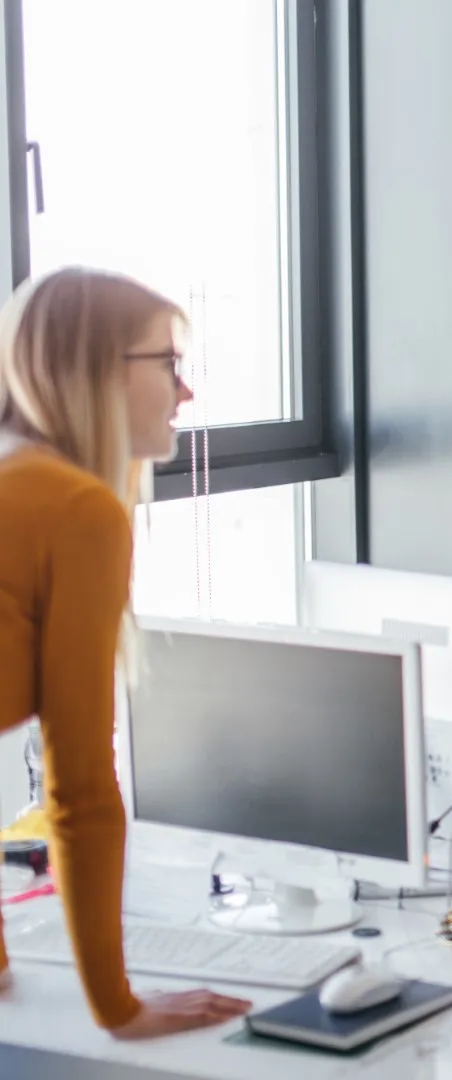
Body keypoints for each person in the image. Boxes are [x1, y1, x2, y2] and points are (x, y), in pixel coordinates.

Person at [0, 268, 253, 1036]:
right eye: (168, 364)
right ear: (95, 369)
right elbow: (78, 787)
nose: (186, 394)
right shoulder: (73, 507)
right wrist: (120, 1007)